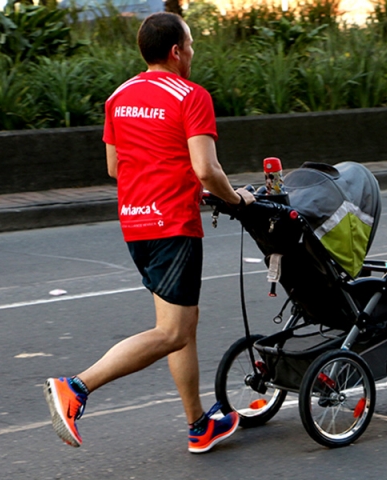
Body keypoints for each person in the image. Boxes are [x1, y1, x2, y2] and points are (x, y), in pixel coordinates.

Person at [43, 12, 255, 454]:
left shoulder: (118, 96)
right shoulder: (191, 96)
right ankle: (76, 388)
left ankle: (199, 424)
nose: (192, 54)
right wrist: (236, 200)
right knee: (173, 332)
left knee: (182, 324)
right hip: (172, 225)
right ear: (176, 51)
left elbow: (115, 167)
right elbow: (207, 169)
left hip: (135, 223)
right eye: (191, 46)